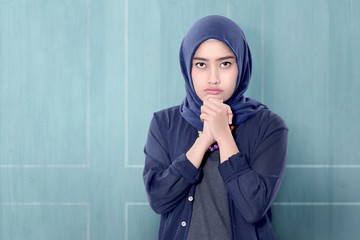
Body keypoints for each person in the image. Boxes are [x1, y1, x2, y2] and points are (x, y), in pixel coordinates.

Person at [143, 15, 288, 240]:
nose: (213, 78)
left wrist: (223, 135)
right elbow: (159, 199)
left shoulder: (269, 126)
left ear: (241, 65)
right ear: (187, 67)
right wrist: (203, 140)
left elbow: (253, 208)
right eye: (201, 64)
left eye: (225, 64)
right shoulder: (164, 123)